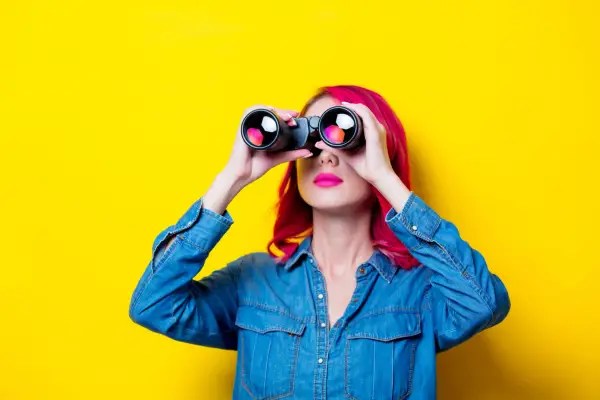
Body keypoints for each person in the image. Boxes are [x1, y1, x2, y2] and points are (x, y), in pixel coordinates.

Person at [129, 85, 511, 399]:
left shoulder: (420, 290)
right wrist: (233, 177)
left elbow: (482, 302)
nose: (325, 155)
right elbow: (153, 304)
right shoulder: (252, 281)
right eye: (311, 141)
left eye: (344, 136)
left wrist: (385, 177)